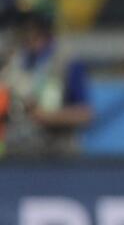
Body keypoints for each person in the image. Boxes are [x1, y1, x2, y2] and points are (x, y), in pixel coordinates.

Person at [0, 8, 92, 156]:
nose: (23, 37)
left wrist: (45, 116)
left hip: (57, 152)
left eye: (28, 31)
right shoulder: (15, 62)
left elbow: (85, 114)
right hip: (17, 151)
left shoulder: (67, 61)